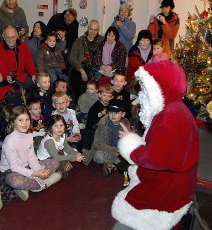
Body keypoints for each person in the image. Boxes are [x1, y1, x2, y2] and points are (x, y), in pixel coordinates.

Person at [112, 61, 199, 230]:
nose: (142, 96)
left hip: (166, 189)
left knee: (130, 216)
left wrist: (130, 144)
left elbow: (154, 158)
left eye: (145, 89)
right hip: (178, 182)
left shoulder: (169, 119)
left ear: (159, 89)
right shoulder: (175, 109)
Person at [0, 106, 61, 203]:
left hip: (27, 167)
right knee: (15, 181)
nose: (25, 123)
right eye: (20, 120)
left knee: (55, 163)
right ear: (12, 122)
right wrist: (35, 174)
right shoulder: (9, 142)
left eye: (27, 119)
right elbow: (14, 167)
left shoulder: (29, 135)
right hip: (11, 171)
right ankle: (44, 183)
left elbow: (31, 157)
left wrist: (39, 169)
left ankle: (29, 186)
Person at [89, 100, 130, 177]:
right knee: (97, 156)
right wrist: (114, 151)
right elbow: (98, 143)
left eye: (117, 113)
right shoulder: (102, 124)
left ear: (123, 114)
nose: (113, 115)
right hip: (108, 150)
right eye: (111, 112)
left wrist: (122, 150)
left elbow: (130, 140)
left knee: (132, 154)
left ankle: (111, 165)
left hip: (121, 150)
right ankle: (117, 163)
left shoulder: (126, 123)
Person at [0, 25, 37, 98]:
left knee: (37, 84)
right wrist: (7, 77)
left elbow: (29, 62)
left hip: (21, 75)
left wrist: (33, 74)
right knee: (15, 91)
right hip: (7, 79)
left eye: (13, 36)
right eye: (8, 37)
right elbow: (1, 69)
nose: (11, 40)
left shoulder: (23, 46)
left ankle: (32, 106)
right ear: (3, 36)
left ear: (17, 35)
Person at [69, 20, 104, 103]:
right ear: (88, 29)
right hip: (81, 66)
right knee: (75, 77)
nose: (93, 32)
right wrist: (81, 70)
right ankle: (78, 100)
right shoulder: (79, 41)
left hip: (96, 66)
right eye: (91, 29)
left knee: (97, 79)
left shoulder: (102, 41)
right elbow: (72, 57)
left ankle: (94, 102)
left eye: (95, 30)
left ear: (98, 30)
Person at [82, 84, 114, 154]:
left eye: (109, 96)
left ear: (111, 97)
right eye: (104, 95)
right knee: (89, 134)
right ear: (99, 95)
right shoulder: (95, 107)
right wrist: (100, 115)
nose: (106, 98)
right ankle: (86, 148)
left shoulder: (110, 106)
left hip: (105, 127)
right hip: (94, 127)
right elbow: (90, 122)